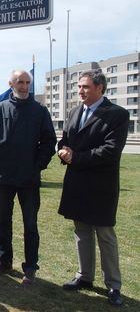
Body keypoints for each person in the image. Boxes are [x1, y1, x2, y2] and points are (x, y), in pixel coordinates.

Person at [0, 69, 56, 284]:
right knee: (3, 222)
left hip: (29, 179)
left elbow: (49, 142)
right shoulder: (0, 108)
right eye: (19, 82)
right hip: (4, 177)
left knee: (30, 225)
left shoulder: (39, 111)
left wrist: (37, 166)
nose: (24, 86)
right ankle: (4, 261)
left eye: (27, 82)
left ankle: (30, 267)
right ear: (11, 84)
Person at [58, 70, 129, 306]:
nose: (80, 91)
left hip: (101, 185)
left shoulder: (118, 114)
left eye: (85, 87)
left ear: (100, 88)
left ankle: (113, 286)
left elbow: (110, 150)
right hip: (77, 182)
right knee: (81, 232)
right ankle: (84, 277)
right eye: (79, 87)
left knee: (105, 235)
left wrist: (75, 157)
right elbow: (66, 138)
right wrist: (63, 149)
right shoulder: (75, 111)